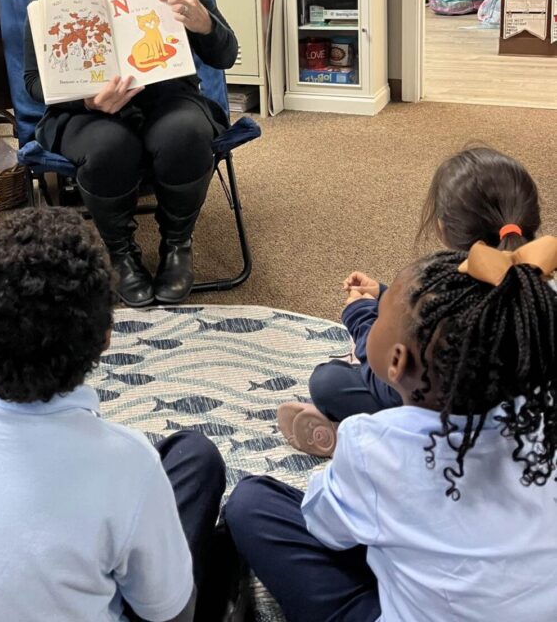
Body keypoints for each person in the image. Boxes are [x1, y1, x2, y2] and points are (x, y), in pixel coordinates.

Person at [0, 208, 226, 622]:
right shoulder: (128, 463)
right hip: (128, 510)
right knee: (196, 461)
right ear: (104, 339)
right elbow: (171, 615)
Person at [225, 238, 557, 621]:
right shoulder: (542, 422)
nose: (377, 316)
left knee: (251, 503)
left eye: (379, 314)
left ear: (397, 361)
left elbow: (325, 527)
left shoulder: (373, 444)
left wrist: (347, 477)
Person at [23, 0, 238, 307]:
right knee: (108, 147)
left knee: (185, 132)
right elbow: (34, 83)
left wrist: (204, 23)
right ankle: (121, 256)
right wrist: (88, 101)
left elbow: (227, 54)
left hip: (168, 98)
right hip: (89, 111)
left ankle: (177, 246)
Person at [277, 146, 542, 456]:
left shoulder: (442, 295)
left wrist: (360, 314)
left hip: (445, 424)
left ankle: (363, 438)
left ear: (442, 228)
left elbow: (391, 364)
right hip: (524, 423)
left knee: (328, 381)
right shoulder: (539, 285)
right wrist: (383, 294)